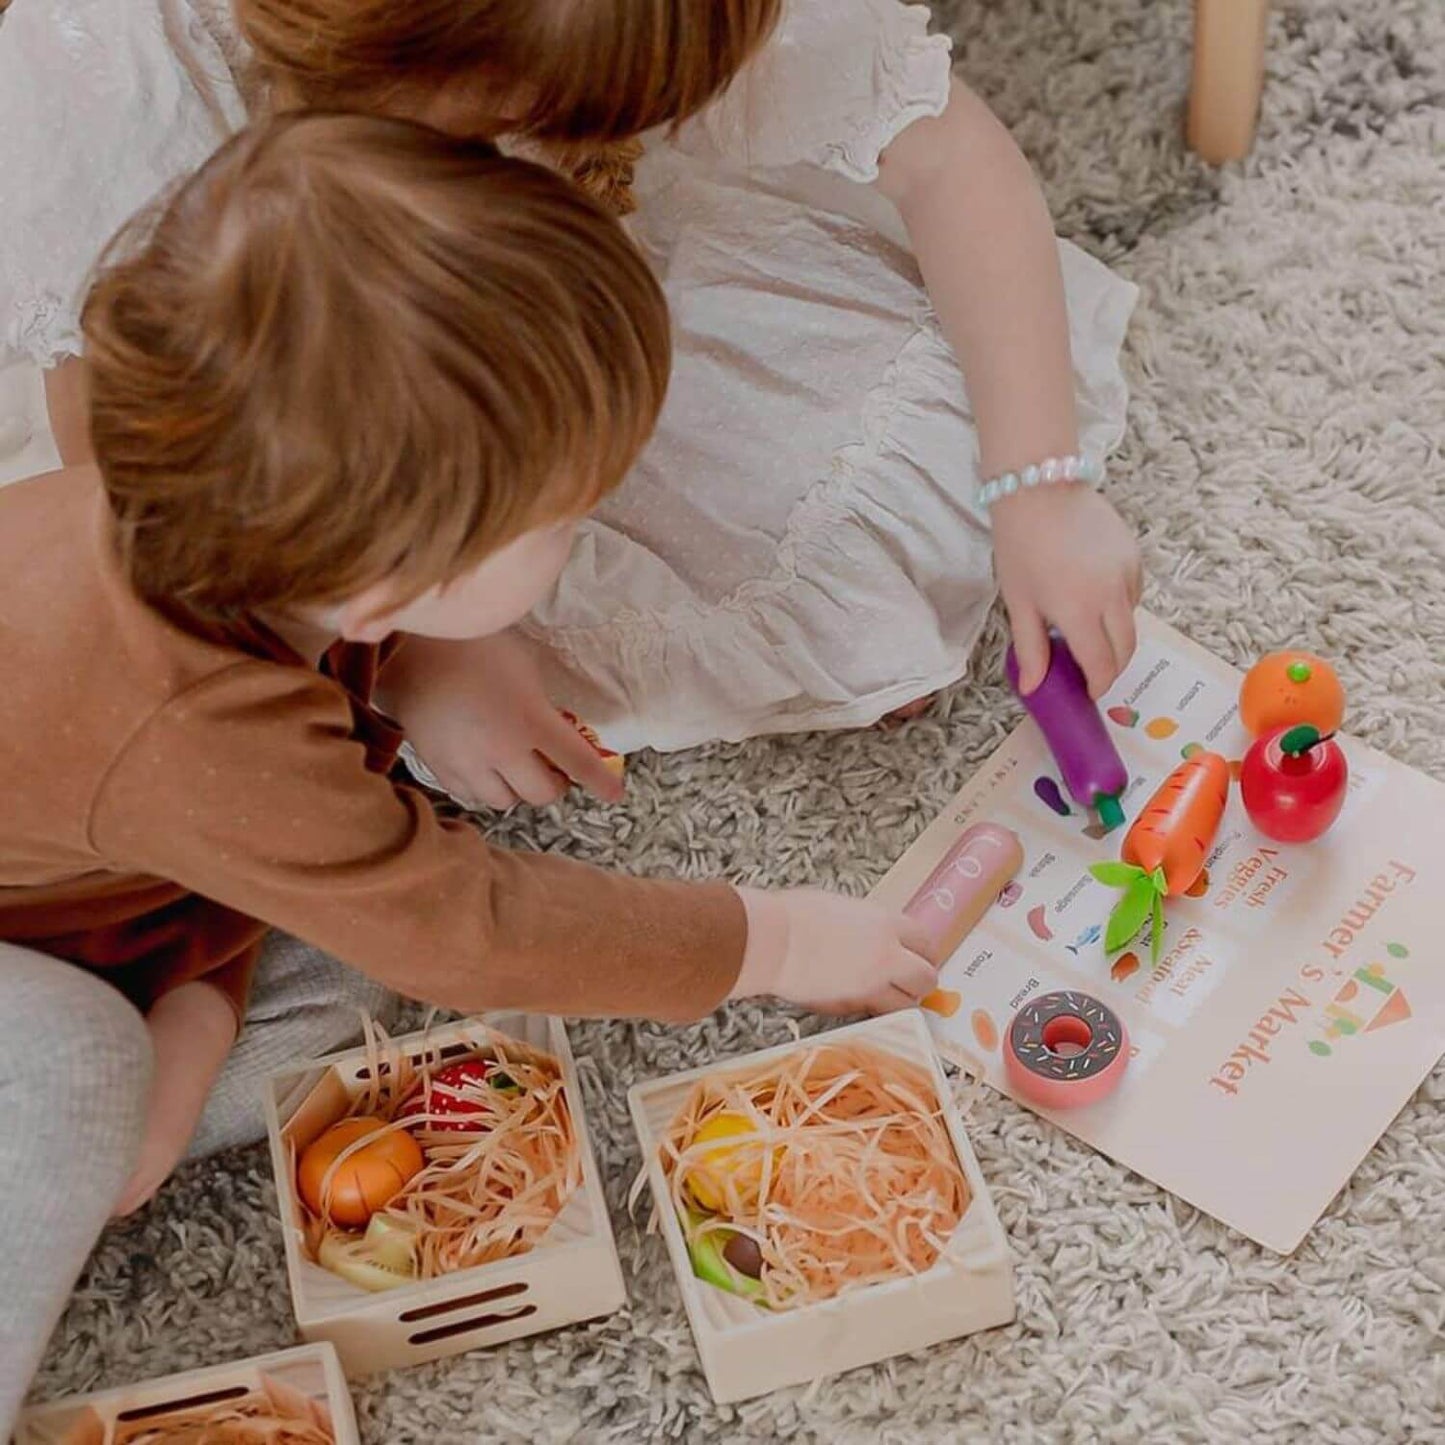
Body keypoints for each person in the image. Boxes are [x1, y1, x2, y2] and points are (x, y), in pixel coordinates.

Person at [0, 114, 939, 1432]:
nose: (584, 531)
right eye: (563, 523)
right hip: (47, 956)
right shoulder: (204, 720)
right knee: (90, 1075)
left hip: (120, 859)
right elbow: (473, 928)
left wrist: (207, 984)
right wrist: (765, 936)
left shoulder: (223, 516)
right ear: (394, 576)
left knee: (347, 973)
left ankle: (175, 1025)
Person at [0, 1, 1140, 804]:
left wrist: (1037, 487)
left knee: (899, 492)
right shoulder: (118, 60)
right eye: (515, 113)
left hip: (555, 303)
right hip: (320, 428)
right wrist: (415, 655)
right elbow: (118, 451)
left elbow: (938, 156)